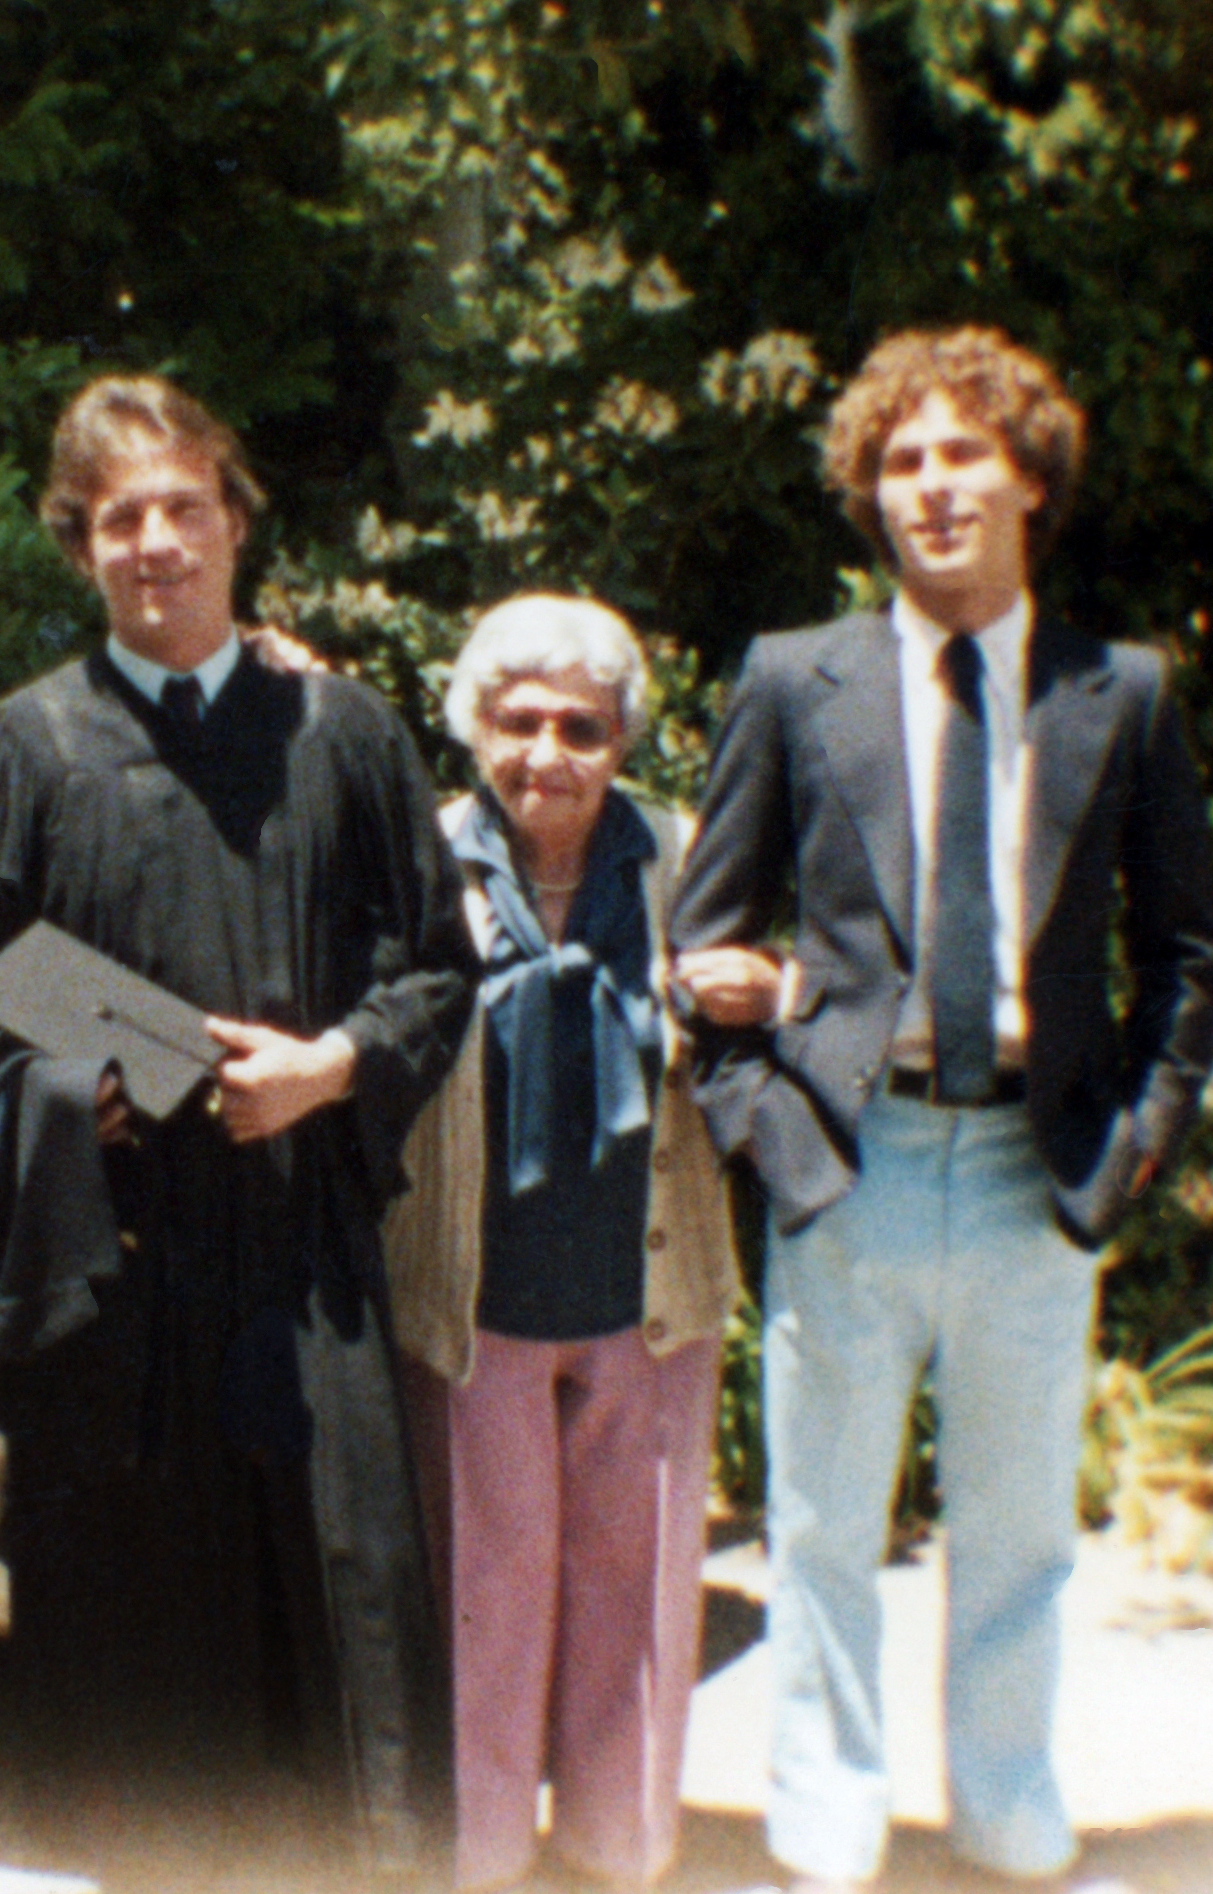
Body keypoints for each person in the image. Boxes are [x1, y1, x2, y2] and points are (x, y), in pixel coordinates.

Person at [669, 327, 1213, 1892]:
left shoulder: (1121, 695)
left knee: (1020, 1537)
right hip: (854, 1155)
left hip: (1029, 1171)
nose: (930, 486)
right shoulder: (797, 677)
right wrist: (770, 1141)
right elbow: (700, 941)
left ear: (1030, 476)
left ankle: (1005, 1805)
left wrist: (1122, 1162)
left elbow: (1190, 950)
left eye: (961, 452)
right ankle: (827, 1818)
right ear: (872, 497)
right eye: (899, 462)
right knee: (825, 1529)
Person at [0, 375, 476, 1887]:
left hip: (306, 1261)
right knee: (141, 1674)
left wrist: (332, 1065)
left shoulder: (346, 733)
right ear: (79, 547)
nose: (157, 541)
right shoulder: (17, 755)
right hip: (119, 1282)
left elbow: (441, 966)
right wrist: (78, 1089)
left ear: (237, 522)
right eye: (121, 518)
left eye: (186, 506)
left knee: (343, 1628)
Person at [384, 593, 771, 1892]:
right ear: (473, 724)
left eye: (582, 727)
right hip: (476, 1294)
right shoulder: (419, 860)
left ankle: (618, 1854)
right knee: (484, 1601)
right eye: (518, 719)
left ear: (622, 738)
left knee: (637, 1602)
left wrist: (760, 996)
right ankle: (480, 1859)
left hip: (646, 1289)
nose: (547, 750)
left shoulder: (681, 853)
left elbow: (777, 1009)